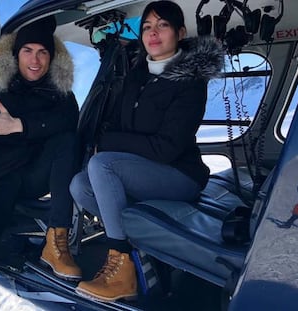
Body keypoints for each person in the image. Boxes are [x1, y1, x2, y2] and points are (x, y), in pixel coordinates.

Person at [70, 0, 224, 302]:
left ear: (179, 33)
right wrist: (109, 139)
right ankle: (141, 247)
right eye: (147, 27)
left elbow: (165, 148)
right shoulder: (136, 76)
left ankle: (122, 263)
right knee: (79, 185)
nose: (153, 33)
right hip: (140, 170)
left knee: (103, 165)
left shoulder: (190, 83)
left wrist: (111, 143)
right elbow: (113, 124)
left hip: (180, 176)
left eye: (162, 25)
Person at [0, 16, 81, 311]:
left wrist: (19, 125)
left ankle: (56, 242)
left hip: (36, 176)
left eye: (43, 52)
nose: (35, 60)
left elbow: (69, 123)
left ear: (52, 57)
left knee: (67, 141)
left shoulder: (61, 93)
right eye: (28, 51)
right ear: (16, 54)